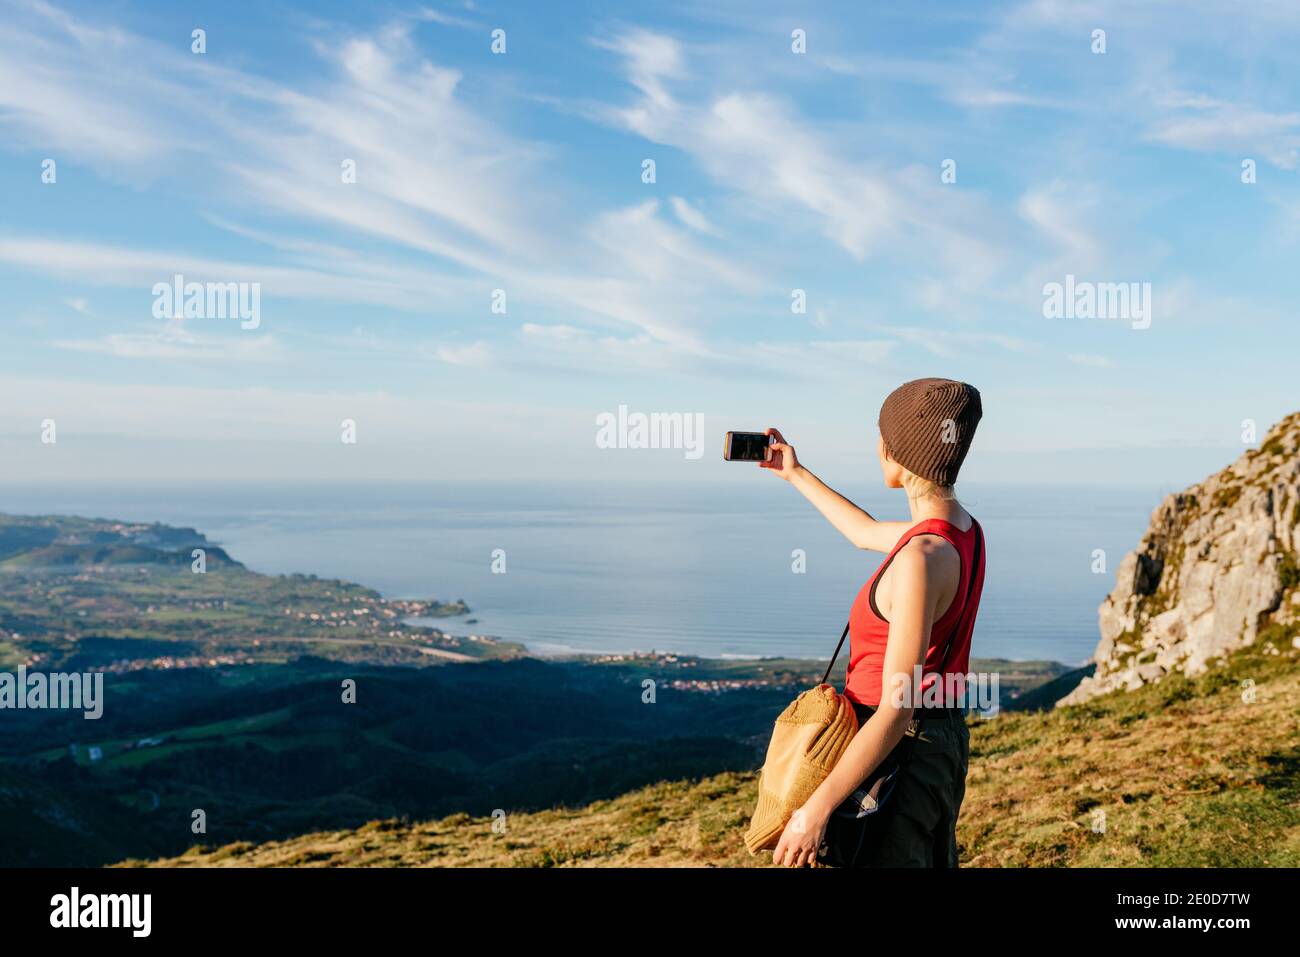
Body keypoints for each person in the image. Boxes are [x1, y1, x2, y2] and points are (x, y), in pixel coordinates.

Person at [761, 377, 985, 867]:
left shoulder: (922, 560)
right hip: (938, 742)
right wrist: (795, 473)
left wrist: (813, 811)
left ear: (895, 451)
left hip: (892, 752)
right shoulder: (961, 531)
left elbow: (896, 708)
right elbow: (863, 532)